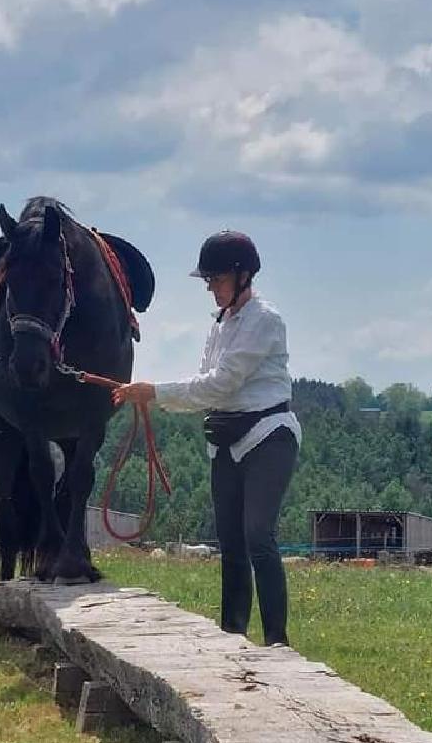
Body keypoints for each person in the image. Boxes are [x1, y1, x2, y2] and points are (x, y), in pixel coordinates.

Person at [113, 230, 301, 647]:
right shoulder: (219, 326)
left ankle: (277, 641)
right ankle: (232, 635)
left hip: (268, 435)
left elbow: (221, 384)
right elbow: (204, 384)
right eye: (209, 281)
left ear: (242, 276)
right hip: (225, 437)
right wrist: (157, 395)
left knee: (257, 535)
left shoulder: (265, 321)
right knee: (231, 541)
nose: (211, 288)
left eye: (216, 280)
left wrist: (156, 392)